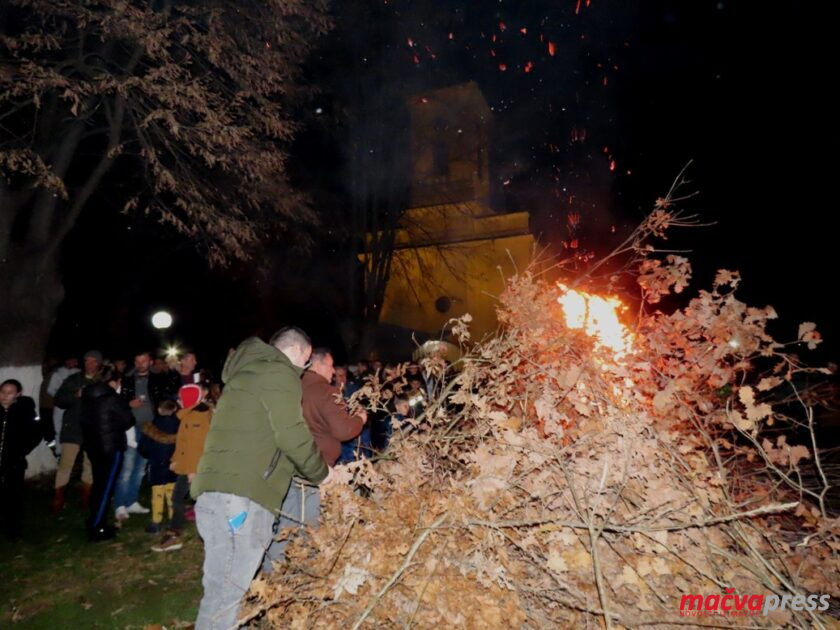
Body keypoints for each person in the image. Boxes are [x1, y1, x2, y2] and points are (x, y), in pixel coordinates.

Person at [191, 327, 329, 630]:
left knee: (222, 593)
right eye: (306, 363)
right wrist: (324, 475)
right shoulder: (279, 374)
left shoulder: (249, 373)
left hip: (220, 494)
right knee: (224, 598)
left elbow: (267, 443)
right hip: (241, 500)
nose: (303, 372)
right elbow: (292, 436)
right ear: (298, 353)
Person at [262, 348, 365, 572]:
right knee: (306, 522)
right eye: (330, 365)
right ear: (317, 365)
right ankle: (290, 570)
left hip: (289, 465)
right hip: (313, 469)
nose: (333, 371)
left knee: (287, 519)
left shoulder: (293, 386)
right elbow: (343, 430)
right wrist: (359, 418)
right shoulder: (323, 391)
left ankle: (275, 568)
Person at [152, 383, 213, 553]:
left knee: (180, 499)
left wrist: (192, 470)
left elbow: (196, 446)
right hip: (188, 465)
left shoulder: (196, 417)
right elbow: (183, 442)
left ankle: (175, 534)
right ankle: (204, 534)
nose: (178, 400)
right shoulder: (189, 414)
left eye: (181, 397)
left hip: (194, 467)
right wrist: (176, 459)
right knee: (196, 500)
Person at [115, 351, 174, 520]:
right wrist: (128, 403)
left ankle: (132, 501)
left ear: (150, 362)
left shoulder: (158, 379)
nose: (141, 364)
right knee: (127, 467)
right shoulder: (126, 380)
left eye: (144, 360)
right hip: (131, 428)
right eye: (138, 360)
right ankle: (120, 504)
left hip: (150, 429)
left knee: (140, 468)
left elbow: (165, 399)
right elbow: (116, 402)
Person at [79, 370, 135, 541]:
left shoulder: (87, 396)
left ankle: (94, 520)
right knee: (106, 488)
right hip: (111, 447)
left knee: (99, 485)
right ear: (114, 381)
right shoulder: (112, 398)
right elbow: (128, 421)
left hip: (93, 446)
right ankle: (97, 527)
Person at [52, 350, 102, 513]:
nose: (90, 364)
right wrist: (76, 395)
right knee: (66, 465)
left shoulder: (103, 381)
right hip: (73, 428)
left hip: (93, 430)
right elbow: (59, 400)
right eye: (87, 361)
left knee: (90, 466)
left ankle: (86, 499)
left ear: (98, 363)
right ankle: (58, 500)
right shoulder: (73, 379)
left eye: (93, 361)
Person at [0, 379, 42, 538]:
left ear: (18, 394)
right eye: (2, 392)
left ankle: (13, 530)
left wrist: (20, 451)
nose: (5, 396)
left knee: (13, 496)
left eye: (9, 393)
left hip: (14, 462)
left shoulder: (24, 411)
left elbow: (36, 434)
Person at [137, 399, 180, 534]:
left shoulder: (151, 428)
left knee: (157, 494)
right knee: (172, 493)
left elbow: (143, 448)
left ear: (158, 410)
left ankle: (156, 522)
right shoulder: (179, 426)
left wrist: (150, 455)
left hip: (156, 465)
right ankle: (174, 521)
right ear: (174, 410)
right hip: (173, 465)